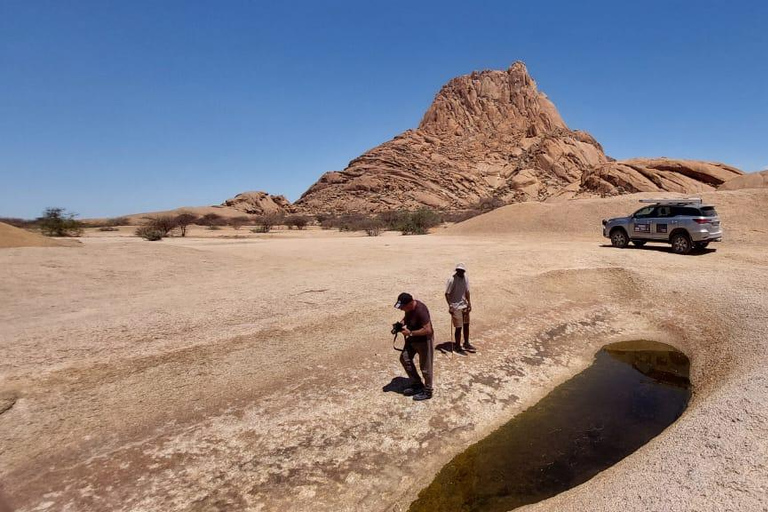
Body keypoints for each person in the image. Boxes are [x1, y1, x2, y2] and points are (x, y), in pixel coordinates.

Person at [394, 292, 434, 401]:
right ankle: (417, 384)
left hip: (424, 340)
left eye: (403, 307)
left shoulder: (421, 310)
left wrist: (410, 333)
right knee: (404, 358)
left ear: (410, 303)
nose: (401, 309)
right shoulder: (409, 309)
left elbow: (428, 329)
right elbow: (406, 318)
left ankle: (428, 391)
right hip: (412, 339)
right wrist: (400, 325)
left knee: (426, 367)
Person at [445, 263, 476, 354]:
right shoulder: (452, 280)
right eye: (459, 271)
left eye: (462, 271)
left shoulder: (465, 278)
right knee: (458, 327)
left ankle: (466, 343)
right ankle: (457, 346)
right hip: (455, 306)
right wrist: (450, 306)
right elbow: (447, 294)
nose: (461, 272)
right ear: (456, 271)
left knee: (466, 325)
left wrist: (469, 303)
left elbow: (467, 291)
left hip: (464, 305)